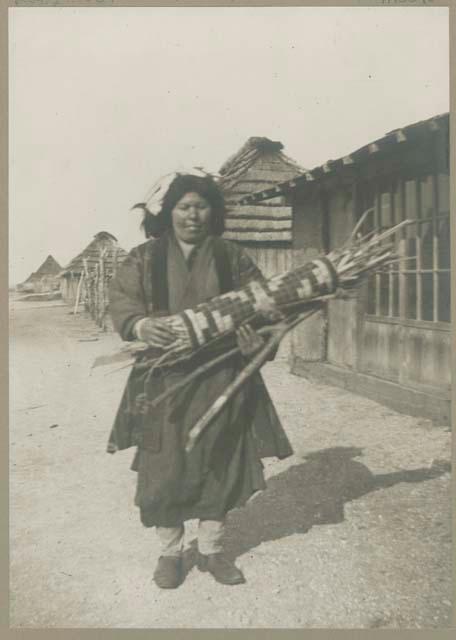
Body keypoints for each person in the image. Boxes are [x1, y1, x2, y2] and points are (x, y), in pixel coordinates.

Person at [107, 171, 293, 589]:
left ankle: (211, 551)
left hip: (221, 375)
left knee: (220, 461)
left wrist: (254, 341)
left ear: (214, 212)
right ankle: (171, 554)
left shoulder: (232, 258)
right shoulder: (144, 259)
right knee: (164, 465)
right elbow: (122, 302)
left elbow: (266, 308)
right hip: (164, 378)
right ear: (168, 212)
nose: (193, 215)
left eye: (201, 206)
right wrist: (139, 326)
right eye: (184, 207)